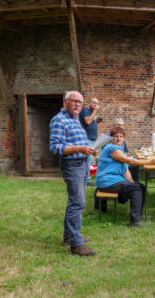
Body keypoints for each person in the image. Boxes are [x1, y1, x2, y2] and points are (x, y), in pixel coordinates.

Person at [49, 91, 96, 256]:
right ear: (65, 101)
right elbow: (55, 147)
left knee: (74, 202)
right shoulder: (59, 120)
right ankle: (76, 244)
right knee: (77, 203)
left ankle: (69, 237)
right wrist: (80, 149)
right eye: (74, 101)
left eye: (80, 102)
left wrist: (89, 151)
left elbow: (79, 143)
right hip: (72, 165)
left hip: (82, 164)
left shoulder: (75, 121)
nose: (77, 104)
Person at [96, 126, 155, 227]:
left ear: (124, 138)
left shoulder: (120, 150)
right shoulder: (111, 148)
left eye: (121, 136)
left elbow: (126, 170)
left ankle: (139, 214)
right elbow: (130, 161)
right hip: (107, 182)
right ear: (111, 138)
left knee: (140, 186)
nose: (118, 138)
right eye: (116, 136)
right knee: (136, 189)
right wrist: (150, 162)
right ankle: (135, 221)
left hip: (113, 181)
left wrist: (132, 183)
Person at [79, 98, 101, 186]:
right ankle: (87, 180)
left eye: (97, 103)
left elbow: (90, 123)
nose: (95, 105)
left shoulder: (91, 113)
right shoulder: (85, 110)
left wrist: (97, 121)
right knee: (88, 159)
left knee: (91, 158)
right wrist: (95, 112)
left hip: (92, 138)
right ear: (89, 102)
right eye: (94, 103)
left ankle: (86, 179)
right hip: (86, 138)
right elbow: (87, 121)